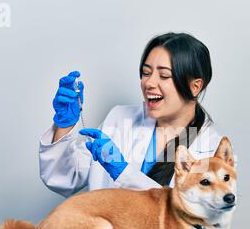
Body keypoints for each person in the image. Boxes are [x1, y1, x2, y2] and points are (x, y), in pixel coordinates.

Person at [39, 32, 226, 198]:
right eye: (146, 72)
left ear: (195, 86)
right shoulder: (120, 118)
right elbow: (66, 179)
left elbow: (189, 218)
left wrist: (123, 172)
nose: (149, 83)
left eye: (164, 76)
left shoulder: (211, 147)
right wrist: (64, 125)